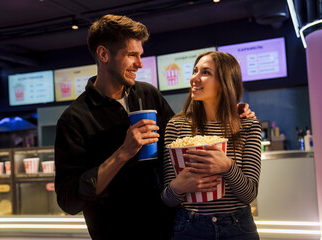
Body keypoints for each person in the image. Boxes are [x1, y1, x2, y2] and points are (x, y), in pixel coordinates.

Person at [54, 14, 256, 240]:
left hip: (167, 228)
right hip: (115, 231)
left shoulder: (147, 94)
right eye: (132, 55)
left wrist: (227, 112)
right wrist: (123, 152)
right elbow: (69, 200)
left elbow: (184, 135)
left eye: (140, 55)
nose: (140, 63)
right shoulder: (74, 119)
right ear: (104, 54)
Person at [161, 51, 261, 240]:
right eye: (195, 70)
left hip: (238, 227)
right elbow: (167, 198)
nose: (194, 78)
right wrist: (178, 187)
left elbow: (249, 194)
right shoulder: (177, 125)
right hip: (190, 227)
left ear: (225, 82)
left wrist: (227, 167)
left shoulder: (248, 126)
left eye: (205, 72)